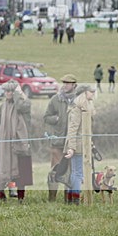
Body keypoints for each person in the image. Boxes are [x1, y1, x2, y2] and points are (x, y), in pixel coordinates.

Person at [0, 80, 32, 201]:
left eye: (10, 91)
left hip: (20, 145)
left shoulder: (25, 103)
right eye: (6, 91)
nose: (7, 93)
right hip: (5, 146)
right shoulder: (3, 106)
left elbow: (20, 107)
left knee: (21, 173)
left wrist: (18, 94)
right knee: (3, 170)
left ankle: (21, 198)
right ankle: (0, 194)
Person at [43, 74, 78, 202]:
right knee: (55, 171)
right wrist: (56, 119)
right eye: (64, 83)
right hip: (57, 142)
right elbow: (46, 117)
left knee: (71, 172)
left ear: (74, 85)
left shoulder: (79, 100)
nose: (65, 86)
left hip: (72, 143)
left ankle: (69, 198)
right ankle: (51, 198)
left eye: (68, 83)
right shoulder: (55, 99)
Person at [64, 85, 97, 205]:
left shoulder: (85, 108)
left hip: (85, 145)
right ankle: (75, 199)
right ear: (83, 93)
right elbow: (72, 129)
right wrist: (71, 147)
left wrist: (91, 143)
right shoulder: (77, 110)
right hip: (77, 146)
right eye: (91, 91)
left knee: (77, 172)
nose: (93, 94)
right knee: (77, 173)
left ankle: (72, 198)